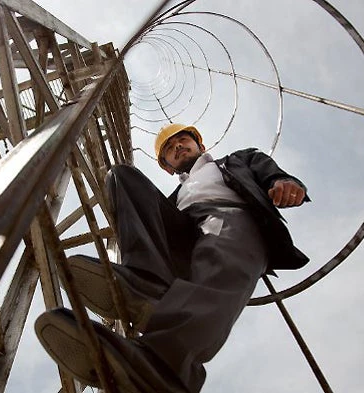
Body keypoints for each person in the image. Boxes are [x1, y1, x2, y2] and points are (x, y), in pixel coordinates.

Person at [35, 123, 310, 393]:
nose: (177, 146)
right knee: (122, 176)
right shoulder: (175, 197)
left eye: (183, 140)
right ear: (166, 165)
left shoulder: (236, 161)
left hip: (230, 217)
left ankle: (166, 364)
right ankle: (145, 284)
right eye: (169, 147)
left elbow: (272, 174)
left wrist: (284, 184)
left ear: (200, 145)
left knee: (220, 265)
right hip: (184, 233)